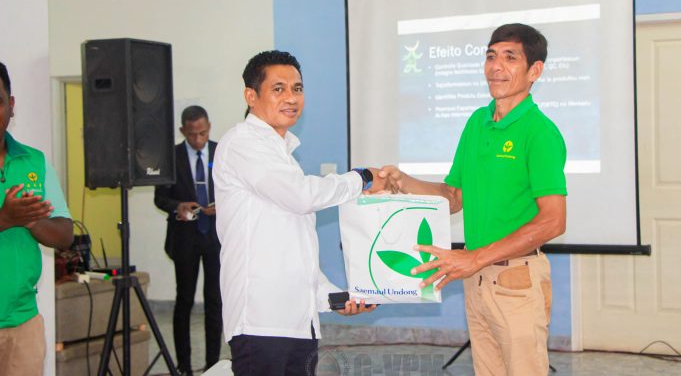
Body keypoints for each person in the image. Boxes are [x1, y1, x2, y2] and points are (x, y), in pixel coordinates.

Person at [379, 23, 567, 376]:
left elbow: (553, 221)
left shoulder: (539, 132)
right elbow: (453, 197)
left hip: (515, 278)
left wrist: (475, 257)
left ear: (535, 71)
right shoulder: (477, 122)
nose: (496, 67)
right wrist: (403, 182)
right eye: (491, 57)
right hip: (476, 277)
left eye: (510, 58)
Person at [213, 50, 379, 376]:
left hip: (299, 325)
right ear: (251, 96)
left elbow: (297, 250)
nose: (291, 98)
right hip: (261, 322)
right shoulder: (242, 143)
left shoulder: (284, 155)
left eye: (297, 88)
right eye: (278, 89)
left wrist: (333, 297)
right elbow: (302, 196)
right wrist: (362, 178)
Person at [0, 61, 74, 375]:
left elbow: (65, 234)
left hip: (23, 323)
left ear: (11, 105)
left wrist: (31, 221)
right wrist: (5, 218)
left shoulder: (35, 162)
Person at [154, 106, 221, 375]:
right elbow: (160, 197)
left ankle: (213, 364)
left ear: (209, 127)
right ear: (183, 131)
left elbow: (235, 189)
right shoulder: (171, 157)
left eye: (203, 133)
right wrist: (178, 206)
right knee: (184, 300)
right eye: (192, 134)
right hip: (184, 238)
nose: (198, 139)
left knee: (215, 301)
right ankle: (184, 366)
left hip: (216, 237)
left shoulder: (222, 152)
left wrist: (223, 205)